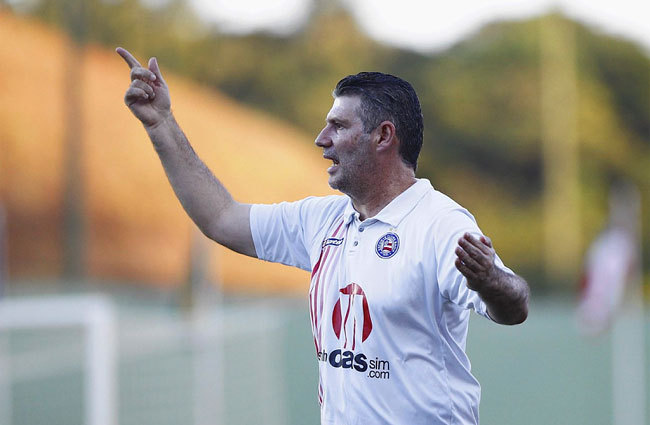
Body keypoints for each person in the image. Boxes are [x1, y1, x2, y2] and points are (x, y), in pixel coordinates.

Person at [116, 47, 529, 425]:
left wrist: (490, 280)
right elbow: (221, 218)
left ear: (383, 136)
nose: (321, 139)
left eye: (338, 125)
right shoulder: (322, 219)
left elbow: (515, 305)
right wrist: (161, 124)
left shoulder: (440, 224)